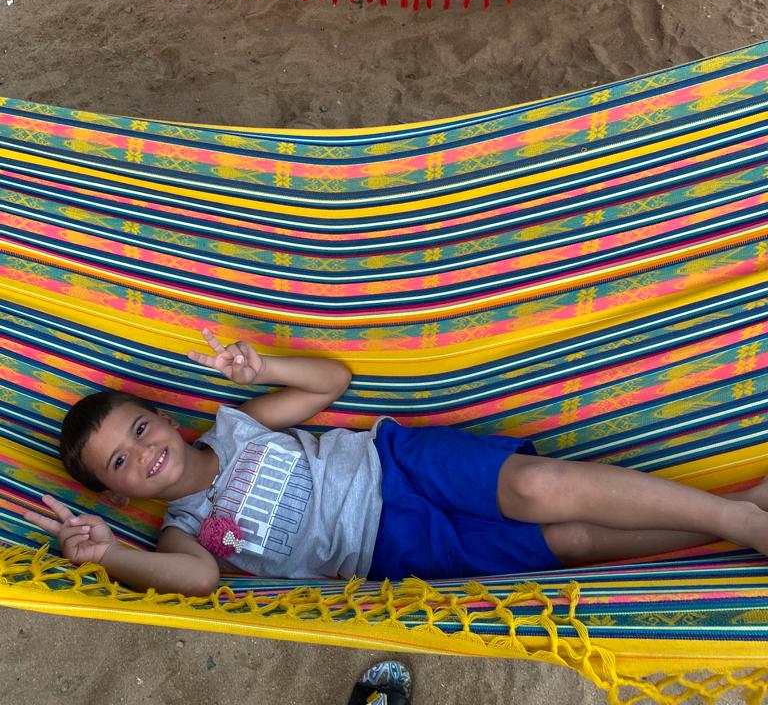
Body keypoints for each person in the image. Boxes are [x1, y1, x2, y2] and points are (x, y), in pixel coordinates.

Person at [24, 328, 768, 597]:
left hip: (397, 465)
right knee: (565, 545)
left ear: (165, 421)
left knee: (540, 485)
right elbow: (197, 579)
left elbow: (331, 382)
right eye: (120, 462)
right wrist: (108, 558)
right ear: (118, 497)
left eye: (142, 428)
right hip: (389, 550)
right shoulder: (185, 533)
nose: (146, 453)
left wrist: (259, 368)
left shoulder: (236, 426)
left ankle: (739, 514)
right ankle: (732, 528)